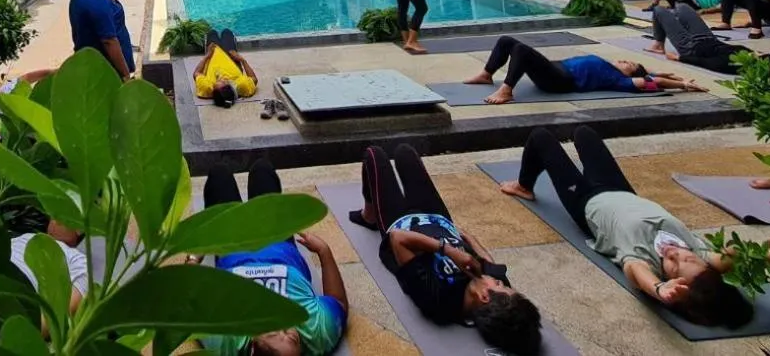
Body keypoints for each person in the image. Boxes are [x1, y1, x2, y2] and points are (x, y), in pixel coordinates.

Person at [500, 127, 770, 327]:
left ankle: (524, 185)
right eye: (688, 259)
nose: (677, 255)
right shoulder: (699, 255)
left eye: (673, 265)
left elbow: (635, 273)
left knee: (541, 138)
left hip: (585, 202)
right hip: (620, 189)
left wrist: (659, 289)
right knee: (584, 133)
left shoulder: (642, 258)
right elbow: (731, 257)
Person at [354, 144, 541, 354]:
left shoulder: (437, 299)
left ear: (484, 297)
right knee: (405, 152)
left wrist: (449, 250)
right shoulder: (489, 288)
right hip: (439, 219)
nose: (501, 281)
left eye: (499, 284)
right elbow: (488, 260)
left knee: (374, 154)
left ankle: (369, 215)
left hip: (401, 222)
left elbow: (399, 240)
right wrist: (469, 238)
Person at [196, 159, 348, 356]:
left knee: (219, 174)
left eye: (276, 331)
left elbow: (191, 307)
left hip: (233, 246)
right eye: (293, 337)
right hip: (278, 242)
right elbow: (339, 304)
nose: (289, 328)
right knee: (262, 170)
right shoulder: (317, 335)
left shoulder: (225, 340)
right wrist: (324, 252)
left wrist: (193, 258)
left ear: (252, 346)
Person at [463, 35, 708, 105]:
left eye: (627, 64)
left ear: (628, 74)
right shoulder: (615, 69)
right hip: (554, 69)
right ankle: (487, 75)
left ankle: (506, 90)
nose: (623, 61)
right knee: (507, 41)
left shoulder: (618, 81)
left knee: (521, 51)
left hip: (560, 80)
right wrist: (669, 73)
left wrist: (683, 85)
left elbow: (650, 82)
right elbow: (651, 73)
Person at [646, 2, 770, 79]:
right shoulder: (748, 56)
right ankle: (660, 39)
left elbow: (707, 63)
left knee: (659, 10)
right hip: (708, 37)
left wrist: (679, 58)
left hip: (690, 47)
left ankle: (658, 44)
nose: (757, 52)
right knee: (682, 7)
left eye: (759, 55)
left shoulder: (733, 64)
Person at [67, 0, 134, 81]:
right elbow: (109, 41)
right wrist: (125, 75)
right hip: (107, 73)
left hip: (94, 68)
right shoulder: (94, 0)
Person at [10, 218, 89, 315]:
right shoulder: (27, 236)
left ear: (79, 229)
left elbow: (61, 315)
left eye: (62, 216)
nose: (54, 220)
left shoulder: (78, 259)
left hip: (14, 303)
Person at [194, 28, 258, 106]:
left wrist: (207, 55)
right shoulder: (241, 86)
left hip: (213, 54)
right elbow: (254, 79)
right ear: (231, 88)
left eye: (218, 82)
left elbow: (196, 73)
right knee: (226, 32)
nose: (222, 79)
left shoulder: (207, 87)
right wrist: (242, 60)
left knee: (212, 32)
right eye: (225, 82)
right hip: (230, 56)